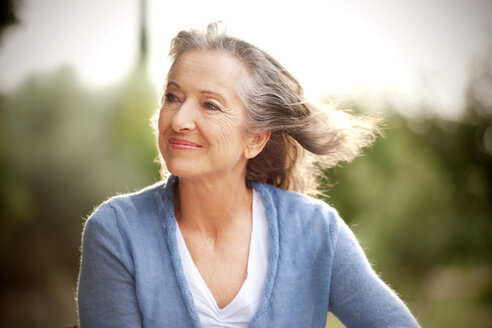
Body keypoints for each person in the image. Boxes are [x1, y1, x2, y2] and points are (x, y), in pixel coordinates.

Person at [77, 23, 420, 327]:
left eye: (210, 105)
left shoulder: (316, 231)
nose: (179, 119)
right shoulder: (116, 231)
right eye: (172, 96)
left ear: (255, 139)